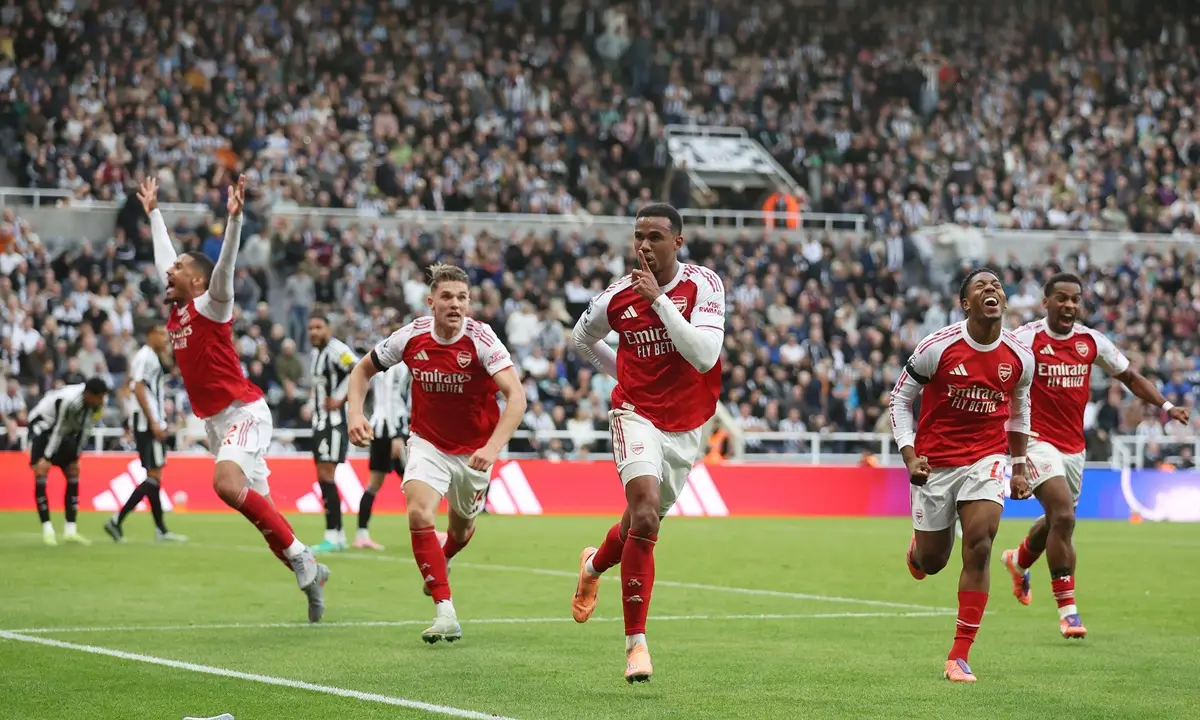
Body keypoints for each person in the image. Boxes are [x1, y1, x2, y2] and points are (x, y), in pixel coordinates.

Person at [137, 175, 330, 622]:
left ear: (196, 279)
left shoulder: (212, 304)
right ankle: (313, 574)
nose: (168, 271)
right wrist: (154, 212)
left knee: (225, 485)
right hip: (216, 423)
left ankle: (302, 557)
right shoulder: (179, 310)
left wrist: (235, 219)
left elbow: (224, 267)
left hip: (244, 411)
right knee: (267, 521)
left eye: (178, 268)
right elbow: (165, 256)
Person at [568, 203, 726, 683]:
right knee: (644, 514)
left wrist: (659, 301)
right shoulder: (616, 296)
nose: (644, 245)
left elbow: (705, 356)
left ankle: (593, 565)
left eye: (655, 236)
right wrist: (624, 375)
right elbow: (581, 338)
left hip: (686, 424)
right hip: (633, 413)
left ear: (678, 241)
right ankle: (636, 645)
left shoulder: (704, 285)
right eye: (639, 236)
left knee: (641, 522)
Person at [346, 263, 526, 644]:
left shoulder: (482, 339)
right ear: (431, 302)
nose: (455, 304)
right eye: (447, 297)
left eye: (462, 297)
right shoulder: (411, 336)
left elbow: (516, 397)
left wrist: (491, 448)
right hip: (427, 443)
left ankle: (443, 556)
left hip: (475, 452)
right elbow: (362, 371)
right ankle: (446, 611)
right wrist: (355, 414)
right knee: (418, 512)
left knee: (462, 530)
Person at [1005, 273, 1190, 638]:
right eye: (1061, 298)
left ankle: (1019, 559)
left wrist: (1167, 406)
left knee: (1058, 519)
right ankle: (1069, 613)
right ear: (1046, 303)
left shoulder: (1091, 341)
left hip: (1074, 447)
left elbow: (1130, 377)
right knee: (1063, 515)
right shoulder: (1026, 339)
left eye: (1075, 299)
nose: (1069, 305)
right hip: (1037, 441)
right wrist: (1014, 456)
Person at [889, 268, 1035, 683]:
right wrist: (910, 456)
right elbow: (900, 400)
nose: (991, 289)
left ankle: (959, 654)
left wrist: (1019, 466)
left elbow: (1020, 411)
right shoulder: (937, 347)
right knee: (933, 562)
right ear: (965, 303)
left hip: (986, 459)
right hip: (935, 464)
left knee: (981, 542)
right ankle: (919, 550)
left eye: (997, 285)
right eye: (980, 286)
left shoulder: (1020, 356)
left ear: (1003, 300)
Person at [104, 324, 186, 543]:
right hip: (146, 423)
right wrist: (153, 421)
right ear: (150, 335)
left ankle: (160, 529)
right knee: (154, 476)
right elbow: (138, 387)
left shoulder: (151, 356)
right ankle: (117, 520)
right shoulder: (145, 356)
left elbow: (137, 383)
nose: (165, 338)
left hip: (149, 421)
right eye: (161, 334)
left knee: (154, 476)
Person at [29, 378, 110, 546]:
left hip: (65, 430)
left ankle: (70, 531)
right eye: (99, 398)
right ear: (89, 395)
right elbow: (58, 430)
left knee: (73, 470)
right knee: (41, 470)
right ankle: (48, 530)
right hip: (43, 425)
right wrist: (47, 458)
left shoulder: (99, 404)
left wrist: (76, 456)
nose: (102, 401)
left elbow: (87, 429)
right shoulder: (70, 402)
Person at [306, 316, 358, 553]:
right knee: (323, 476)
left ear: (329, 328)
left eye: (318, 327)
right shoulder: (316, 354)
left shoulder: (338, 350)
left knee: (326, 475)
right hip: (319, 422)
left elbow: (357, 370)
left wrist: (339, 398)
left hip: (333, 423)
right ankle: (338, 535)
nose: (314, 332)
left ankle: (333, 536)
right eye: (311, 328)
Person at [357, 361, 410, 551]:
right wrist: (396, 435)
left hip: (379, 429)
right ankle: (426, 530)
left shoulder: (382, 362)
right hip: (391, 430)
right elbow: (390, 398)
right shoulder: (397, 366)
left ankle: (361, 535)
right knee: (413, 483)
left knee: (375, 483)